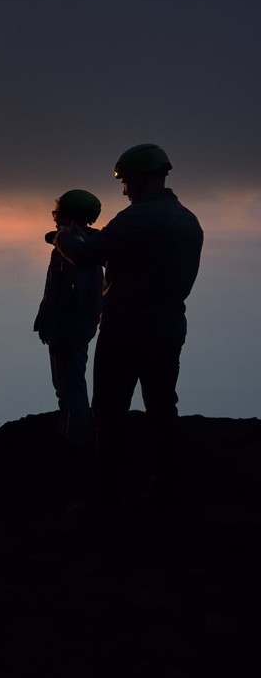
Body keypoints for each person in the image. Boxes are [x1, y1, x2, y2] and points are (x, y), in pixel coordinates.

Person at [55, 143, 203, 506]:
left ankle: (108, 492)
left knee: (109, 412)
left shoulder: (137, 217)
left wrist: (64, 237)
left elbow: (86, 254)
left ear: (139, 179)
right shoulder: (187, 219)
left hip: (125, 330)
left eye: (126, 182)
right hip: (168, 328)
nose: (124, 190)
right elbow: (130, 250)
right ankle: (166, 483)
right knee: (162, 407)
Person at [34, 189, 103, 452]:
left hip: (68, 329)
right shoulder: (80, 243)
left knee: (69, 388)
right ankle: (70, 436)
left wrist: (57, 325)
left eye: (58, 212)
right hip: (73, 328)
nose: (54, 217)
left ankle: (73, 444)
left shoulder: (74, 248)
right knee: (67, 386)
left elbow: (73, 294)